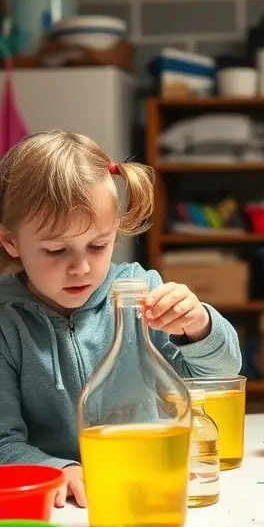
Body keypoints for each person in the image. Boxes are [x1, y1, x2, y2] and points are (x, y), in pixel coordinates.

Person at [0, 130, 241, 506]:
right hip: (58, 505)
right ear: (11, 242)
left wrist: (199, 327)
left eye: (98, 245)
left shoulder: (139, 291)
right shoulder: (6, 321)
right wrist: (57, 470)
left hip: (147, 484)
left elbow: (222, 375)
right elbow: (3, 442)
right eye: (55, 250)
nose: (80, 267)